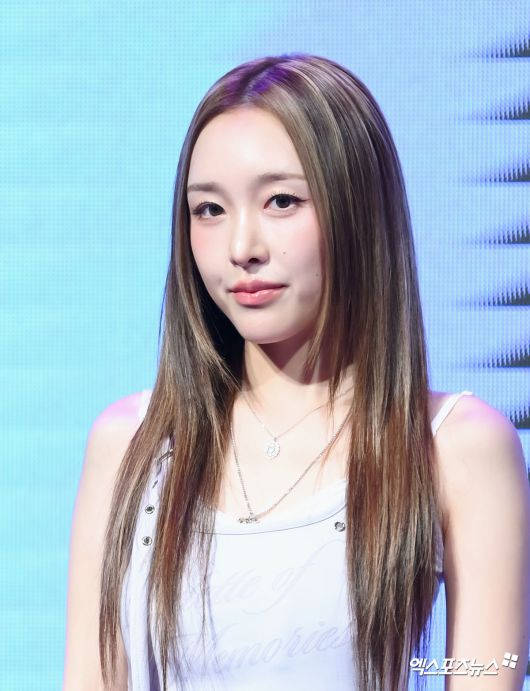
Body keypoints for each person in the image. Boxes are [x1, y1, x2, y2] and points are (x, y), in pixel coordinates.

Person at [62, 54, 530, 690]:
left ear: (356, 210)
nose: (241, 248)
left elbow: (482, 672)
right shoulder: (131, 444)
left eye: (281, 201)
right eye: (209, 210)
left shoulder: (454, 446)